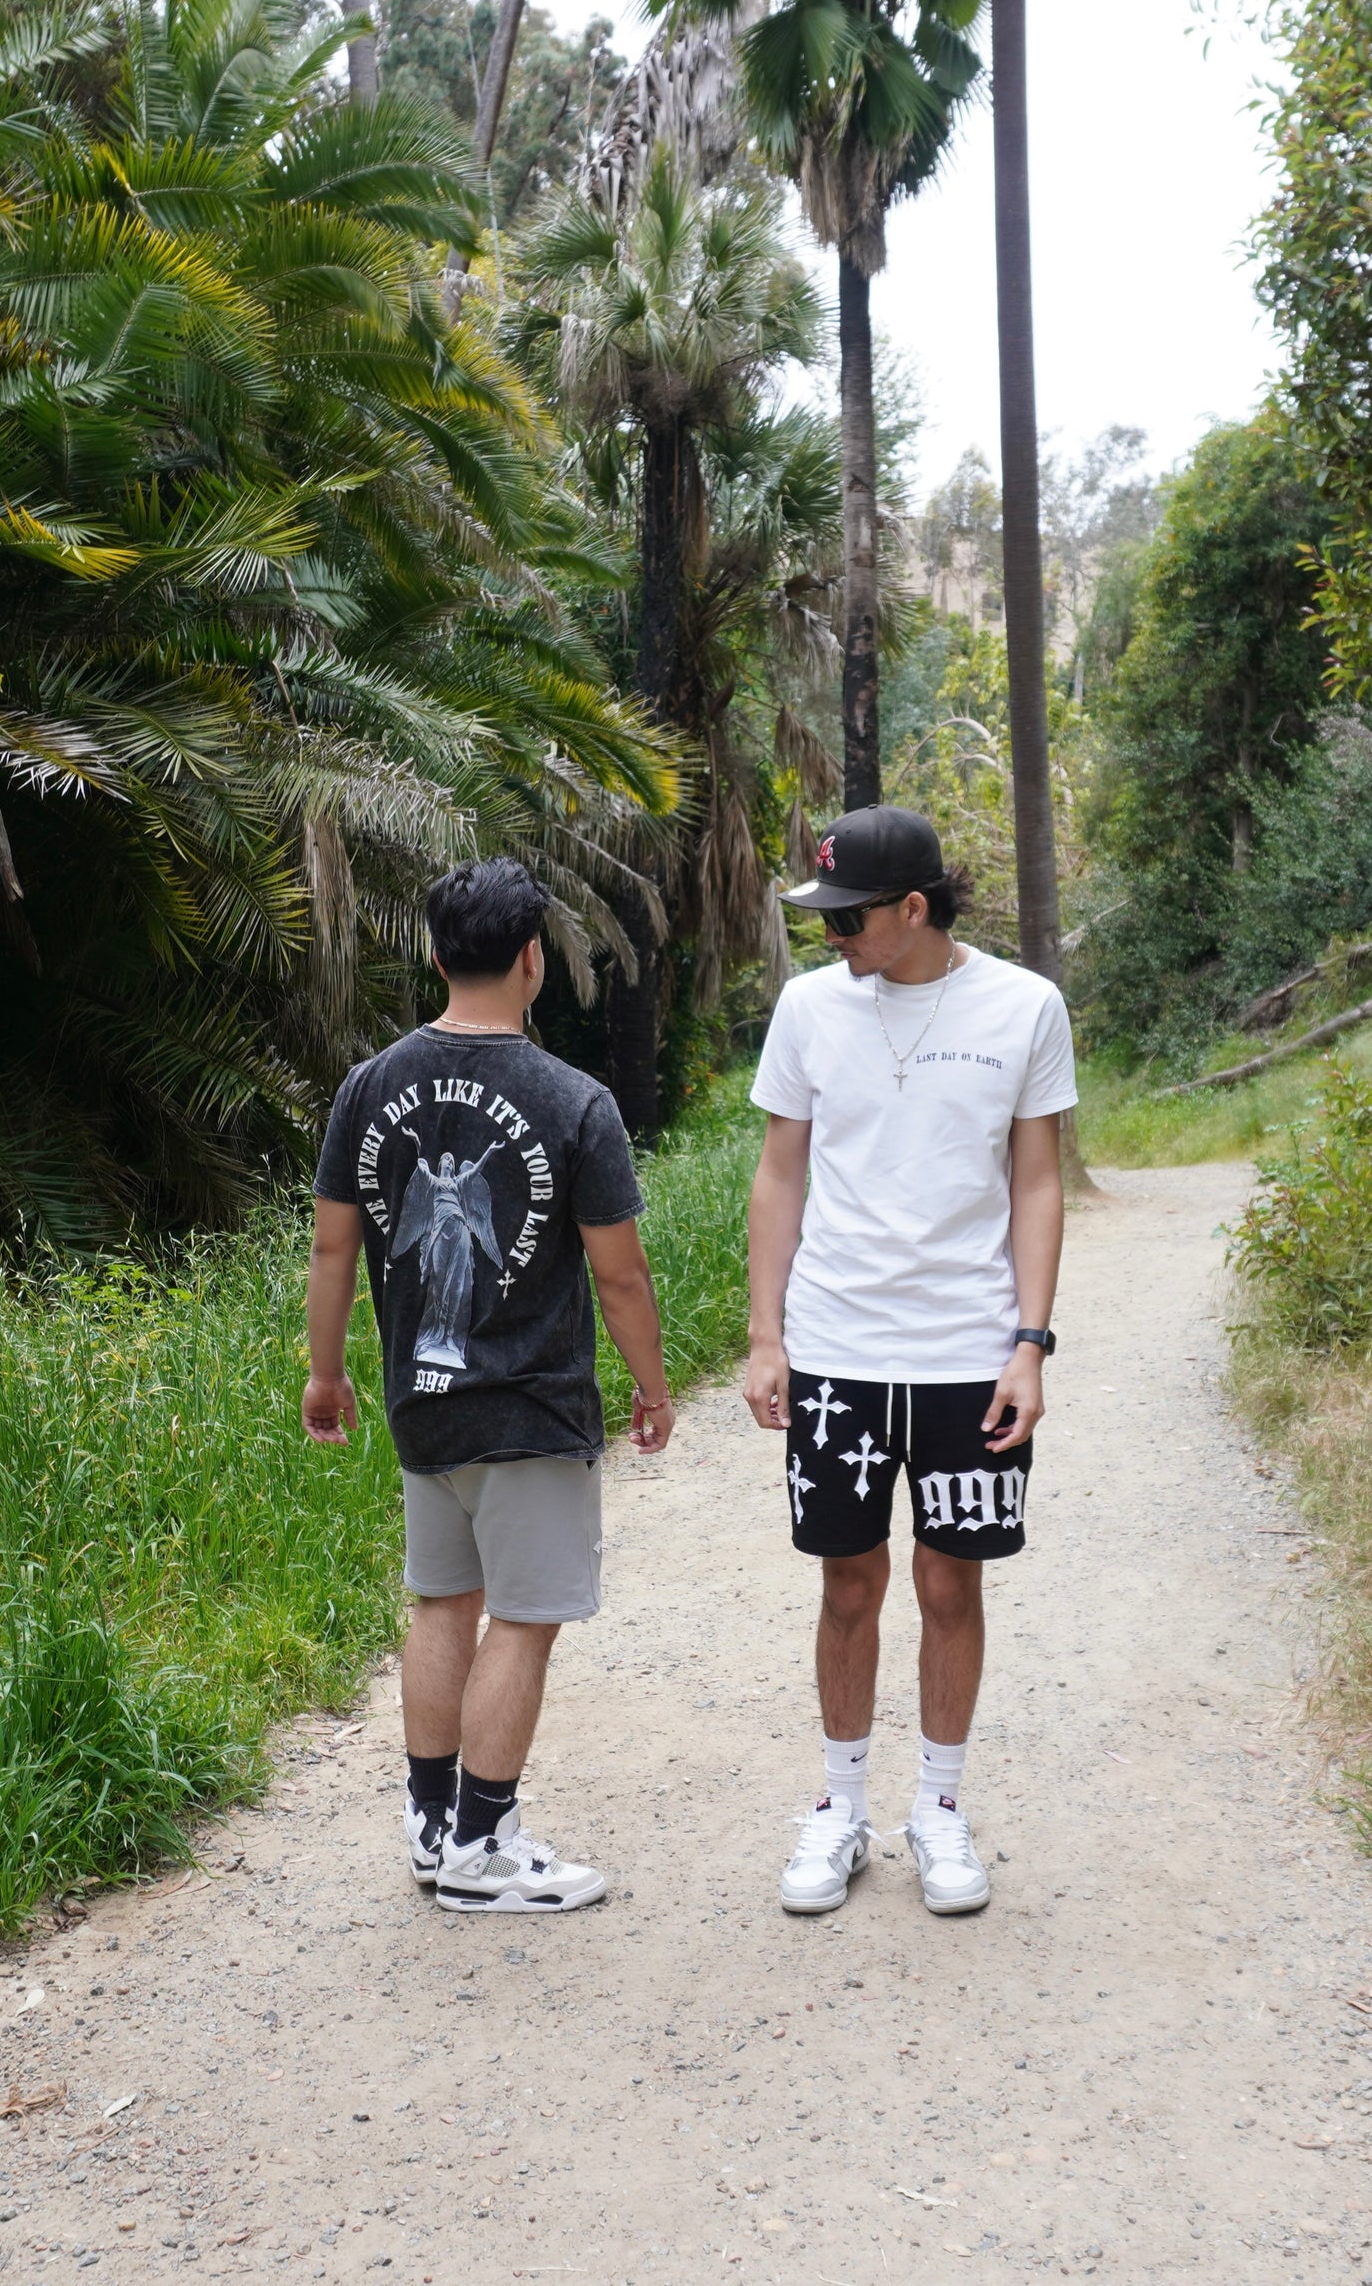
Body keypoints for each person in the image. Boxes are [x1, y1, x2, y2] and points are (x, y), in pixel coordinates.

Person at [303, 856, 674, 1913]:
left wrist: (326, 1374)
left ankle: (431, 1823)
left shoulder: (368, 1087)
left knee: (442, 1601)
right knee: (520, 1616)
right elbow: (618, 1269)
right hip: (532, 1403)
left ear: (432, 954)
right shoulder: (572, 1098)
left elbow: (333, 1250)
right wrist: (649, 1386)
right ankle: (482, 1844)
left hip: (423, 1400)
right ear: (531, 960)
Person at [743, 806, 1075, 1916]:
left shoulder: (1023, 1006)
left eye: (848, 918)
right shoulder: (807, 1008)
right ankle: (838, 1808)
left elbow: (1035, 1179)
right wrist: (764, 1332)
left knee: (948, 1578)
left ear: (914, 909)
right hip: (837, 1347)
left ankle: (937, 1806)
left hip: (966, 1351)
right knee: (847, 1580)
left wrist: (1028, 1342)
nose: (831, 936)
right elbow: (779, 1173)